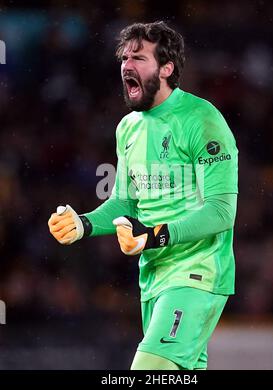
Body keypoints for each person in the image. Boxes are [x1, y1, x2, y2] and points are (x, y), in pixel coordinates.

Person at [48, 21, 238, 370]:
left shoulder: (202, 119)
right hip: (153, 278)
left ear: (167, 68)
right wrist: (84, 224)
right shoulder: (128, 128)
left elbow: (222, 212)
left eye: (138, 57)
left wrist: (155, 235)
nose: (126, 66)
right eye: (124, 58)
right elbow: (125, 201)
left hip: (197, 274)